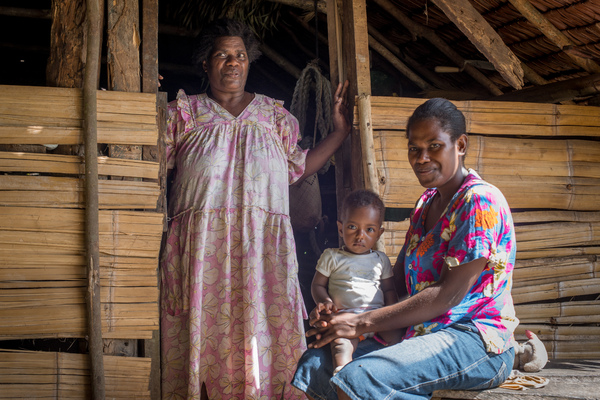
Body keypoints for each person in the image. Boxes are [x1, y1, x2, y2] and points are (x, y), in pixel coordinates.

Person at [159, 18, 351, 400]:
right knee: (202, 331)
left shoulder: (274, 116)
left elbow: (299, 167)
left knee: (263, 333)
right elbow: (149, 166)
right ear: (205, 64)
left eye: (240, 56)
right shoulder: (183, 114)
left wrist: (340, 133)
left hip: (262, 248)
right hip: (200, 249)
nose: (232, 63)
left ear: (249, 63)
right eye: (222, 55)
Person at [292, 97, 519, 400]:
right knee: (315, 363)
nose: (422, 157)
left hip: (474, 339)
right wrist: (339, 312)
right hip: (421, 332)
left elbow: (447, 294)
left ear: (460, 145)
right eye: (414, 148)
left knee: (358, 378)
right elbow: (396, 282)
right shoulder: (426, 205)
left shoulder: (478, 202)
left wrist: (361, 322)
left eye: (434, 146)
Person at [311, 189, 403, 376]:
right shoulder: (332, 256)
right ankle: (343, 375)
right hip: (345, 318)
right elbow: (317, 285)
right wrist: (325, 301)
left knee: (400, 340)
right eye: (353, 227)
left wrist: (392, 315)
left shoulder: (381, 259)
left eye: (369, 230)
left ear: (379, 233)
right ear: (340, 228)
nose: (360, 236)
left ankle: (394, 375)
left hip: (377, 319)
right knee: (341, 346)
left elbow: (389, 290)